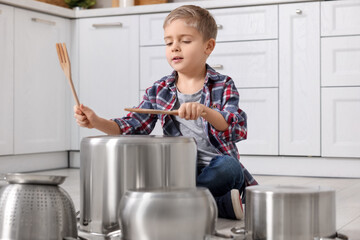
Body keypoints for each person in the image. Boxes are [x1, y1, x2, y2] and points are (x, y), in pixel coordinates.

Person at [74, 5, 258, 220]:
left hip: (217, 169)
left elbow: (234, 126)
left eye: (185, 41)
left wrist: (205, 111)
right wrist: (96, 122)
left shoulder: (223, 84)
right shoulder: (159, 89)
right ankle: (214, 206)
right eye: (169, 42)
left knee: (229, 166)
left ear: (208, 47)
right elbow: (134, 125)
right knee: (150, 173)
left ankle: (169, 204)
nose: (175, 48)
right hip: (177, 170)